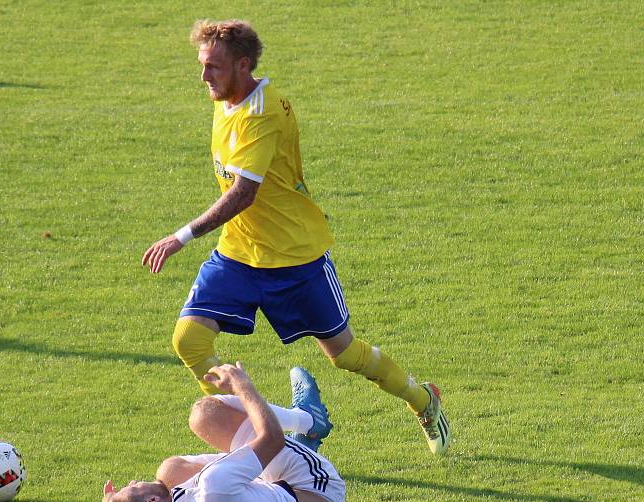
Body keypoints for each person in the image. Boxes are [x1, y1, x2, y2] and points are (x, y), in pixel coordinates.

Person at [141, 19, 450, 455]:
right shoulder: (227, 98)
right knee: (189, 341)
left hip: (294, 256)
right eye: (202, 65)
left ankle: (424, 401)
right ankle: (265, 441)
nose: (203, 76)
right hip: (239, 254)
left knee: (343, 354)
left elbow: (244, 193)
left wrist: (181, 236)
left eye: (213, 67)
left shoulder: (264, 111)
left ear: (243, 65)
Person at [98, 363, 345, 502]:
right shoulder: (213, 486)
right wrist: (242, 386)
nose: (133, 482)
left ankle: (288, 454)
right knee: (206, 415)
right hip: (319, 494)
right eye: (131, 488)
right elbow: (272, 439)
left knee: (170, 471)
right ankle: (308, 419)